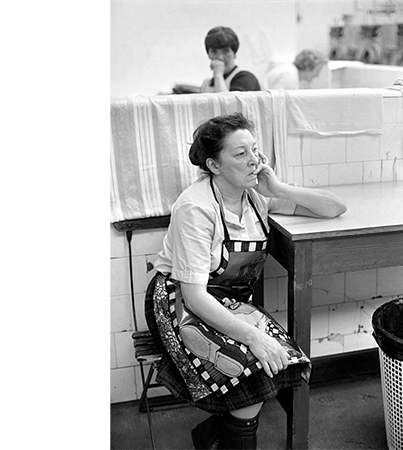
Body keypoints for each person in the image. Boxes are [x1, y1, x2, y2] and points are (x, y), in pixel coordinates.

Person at [145, 112, 346, 450]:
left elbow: (334, 208)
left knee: (281, 361)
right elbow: (193, 297)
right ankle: (215, 435)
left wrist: (277, 187)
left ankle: (211, 436)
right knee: (249, 368)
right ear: (214, 164)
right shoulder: (195, 208)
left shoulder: (255, 197)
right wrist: (254, 337)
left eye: (255, 150)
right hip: (178, 300)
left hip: (229, 300)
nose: (254, 161)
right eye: (240, 154)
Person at [200, 26, 262, 93]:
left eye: (225, 51)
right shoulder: (206, 85)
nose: (220, 57)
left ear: (234, 53)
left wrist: (218, 74)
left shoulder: (246, 78)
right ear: (208, 54)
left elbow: (228, 102)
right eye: (214, 51)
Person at [265, 49, 330, 90]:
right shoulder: (290, 78)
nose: (317, 75)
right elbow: (277, 104)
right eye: (317, 71)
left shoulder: (291, 72)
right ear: (309, 67)